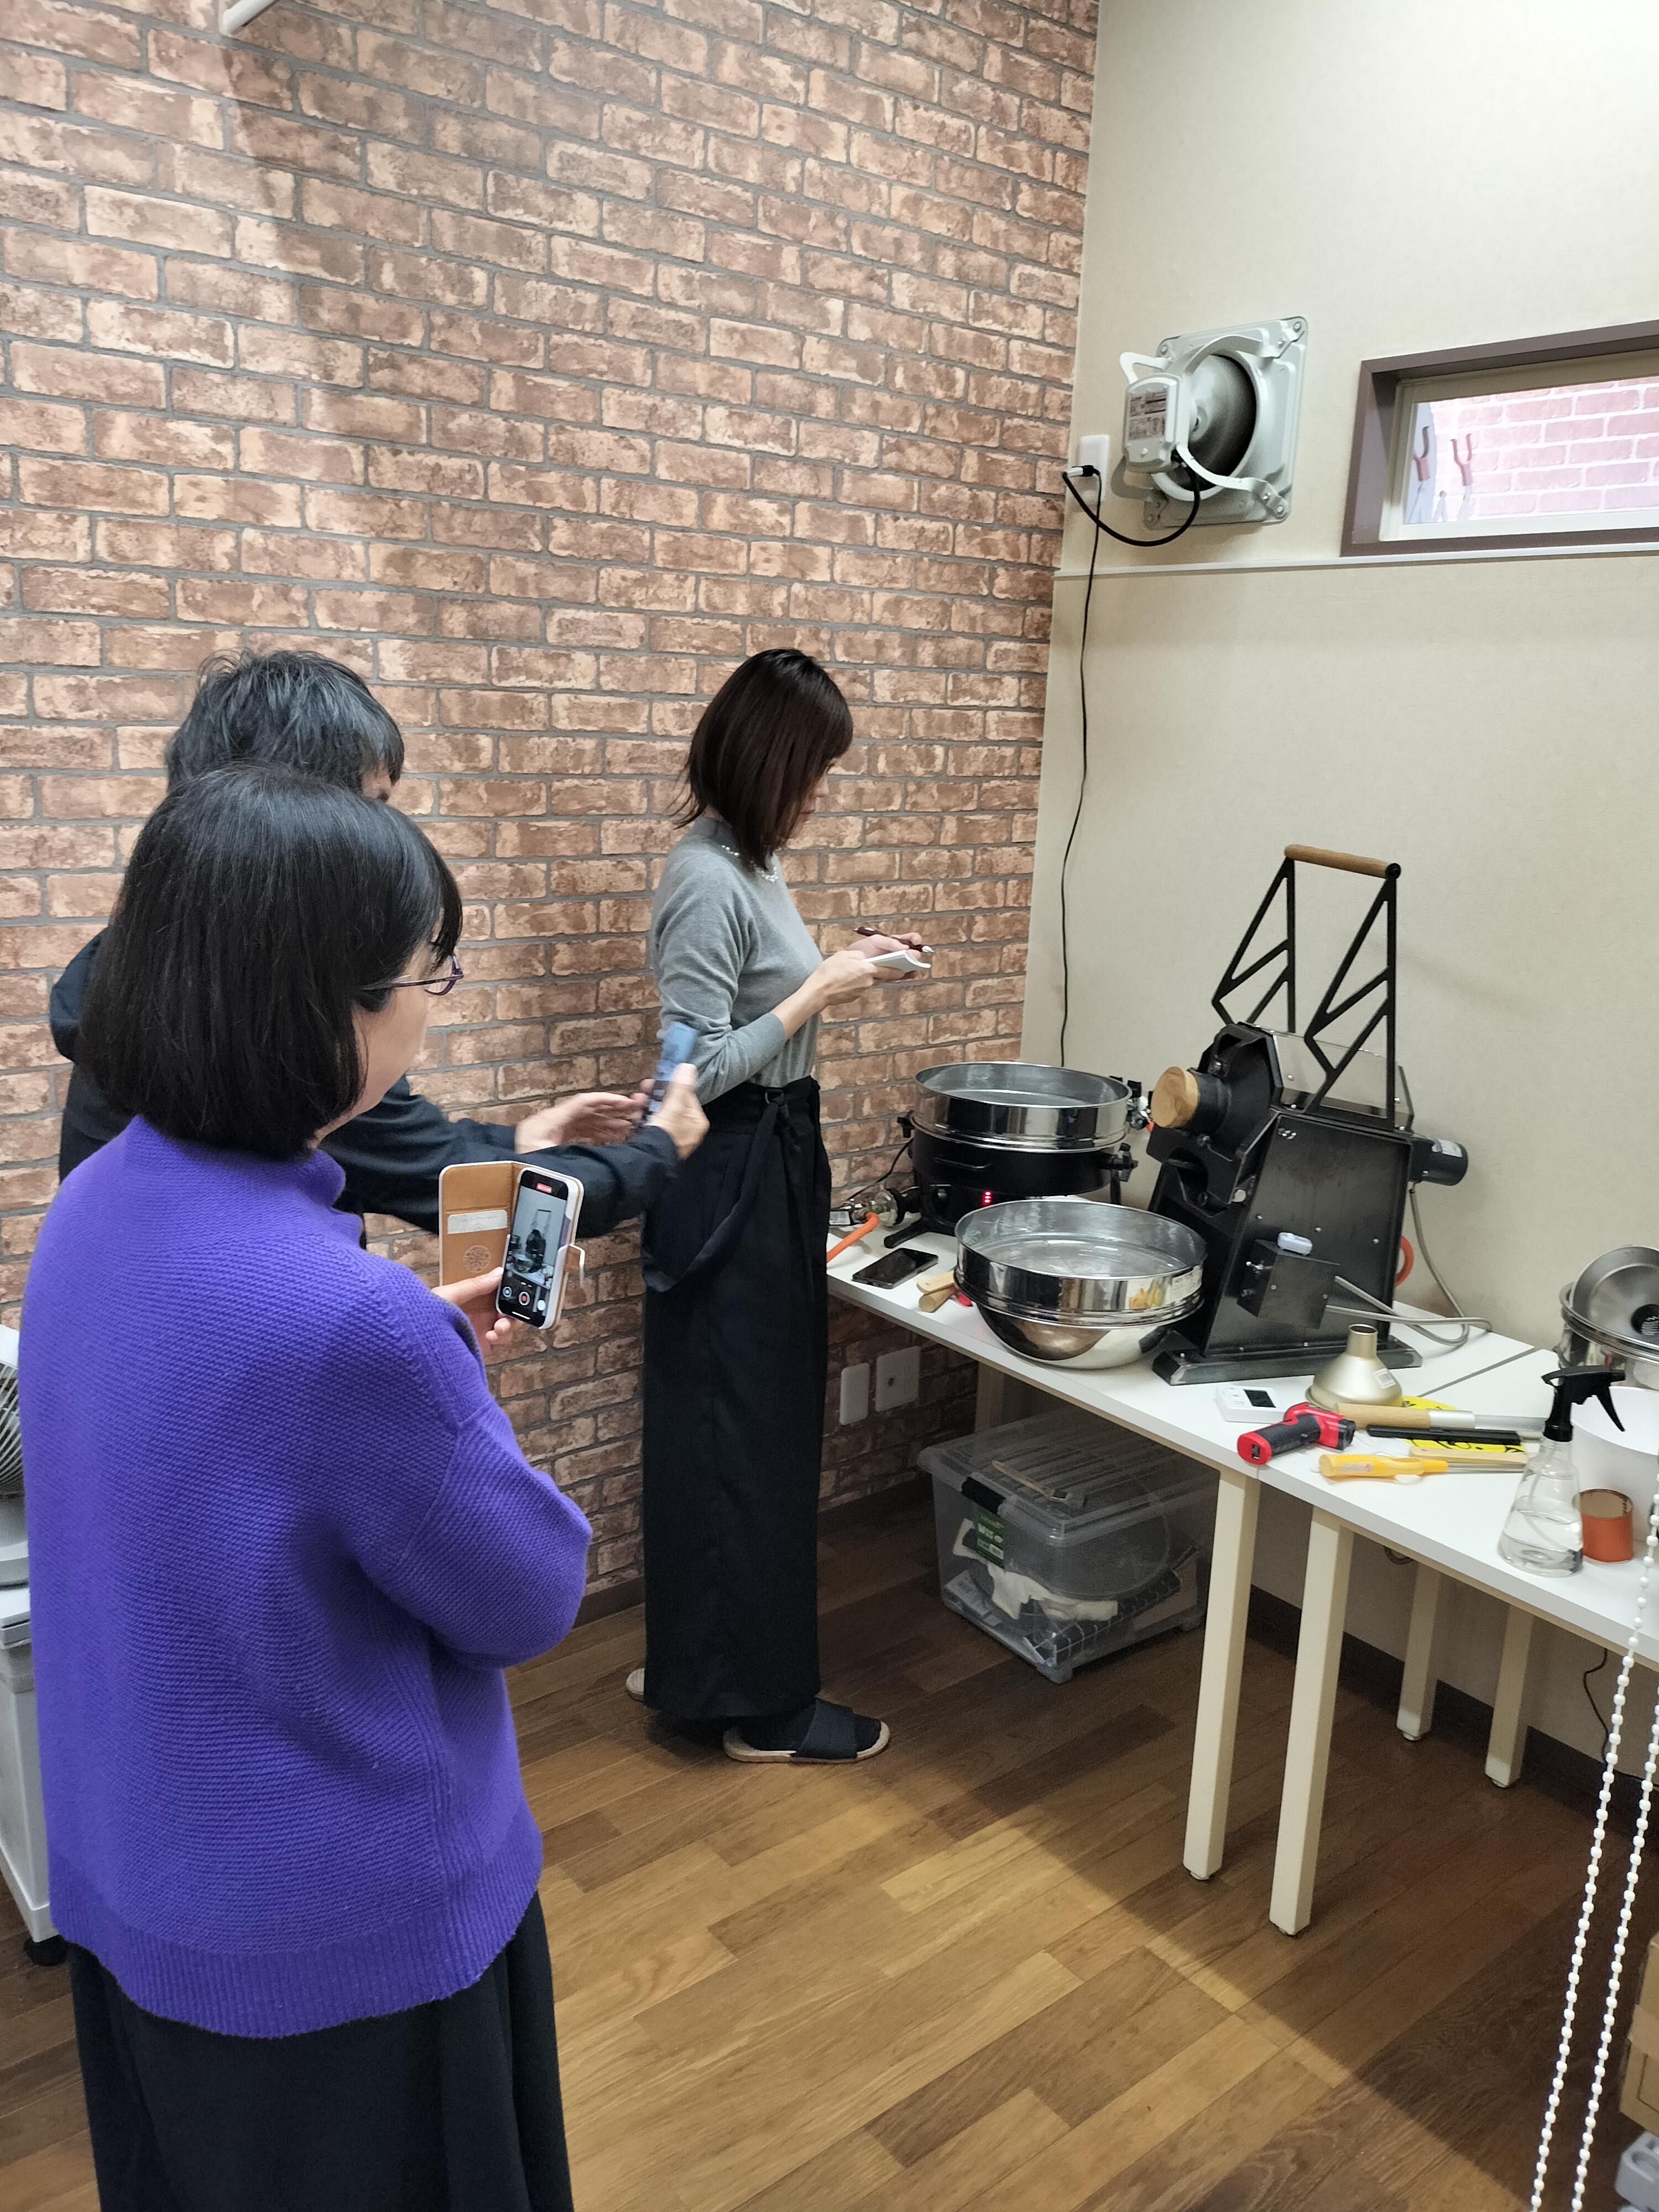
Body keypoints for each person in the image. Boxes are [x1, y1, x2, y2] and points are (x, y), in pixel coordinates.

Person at [21, 764, 591, 2210]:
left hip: (143, 1888)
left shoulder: (89, 1205)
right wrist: (445, 1385)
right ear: (324, 1009)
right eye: (425, 975)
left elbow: (210, 1452)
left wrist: (413, 1367)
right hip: (343, 1958)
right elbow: (530, 1595)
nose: (431, 1009)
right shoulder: (351, 1327)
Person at [51, 648, 705, 1232]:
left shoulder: (142, 972)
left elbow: (404, 1153)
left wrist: (515, 1142)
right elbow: (452, 1189)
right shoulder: (279, 1024)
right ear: (294, 814)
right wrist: (659, 1148)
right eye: (376, 805)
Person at [634, 649, 927, 1764]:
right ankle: (763, 1710)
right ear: (766, 762)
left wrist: (851, 960)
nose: (818, 796)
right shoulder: (705, 877)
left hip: (772, 1153)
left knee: (741, 1425)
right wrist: (821, 989)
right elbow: (693, 1074)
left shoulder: (749, 863)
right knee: (740, 1432)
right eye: (812, 774)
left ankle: (701, 1671)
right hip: (730, 1169)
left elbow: (761, 1003)